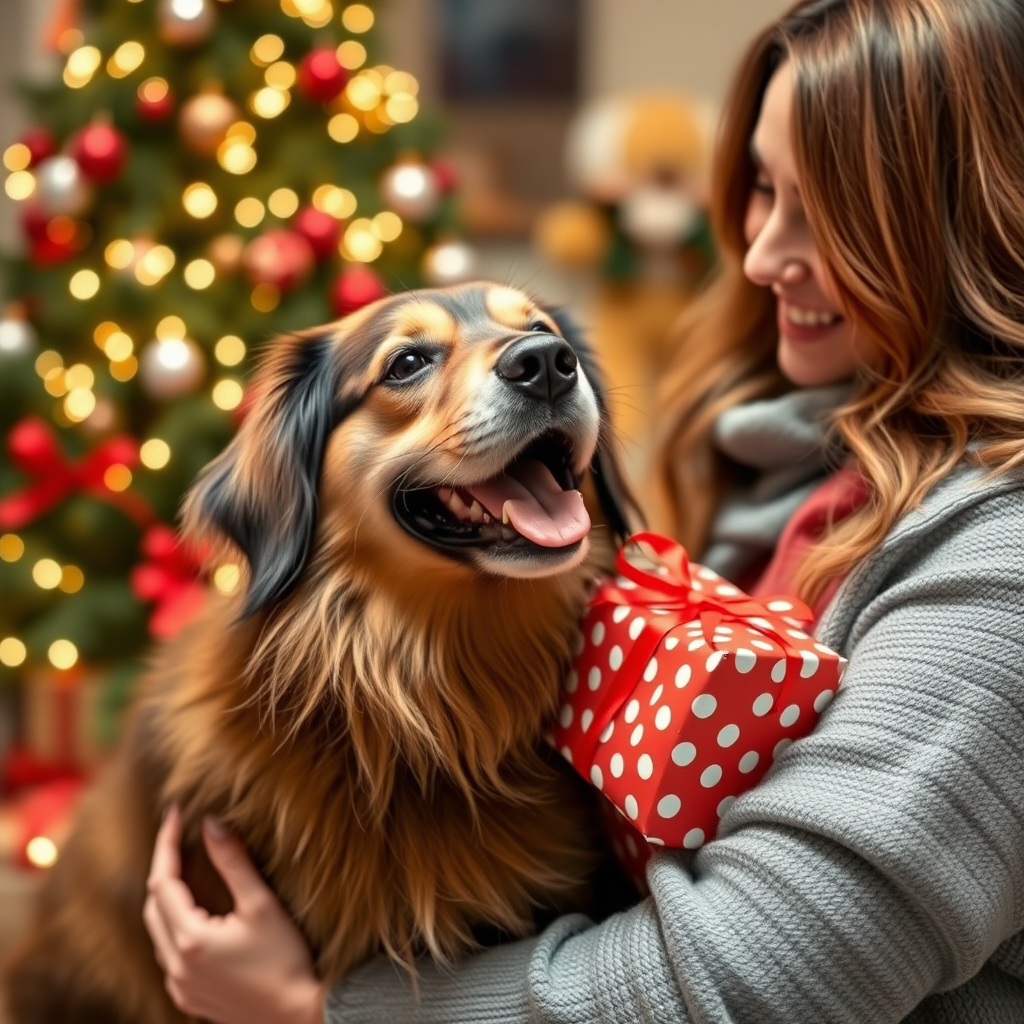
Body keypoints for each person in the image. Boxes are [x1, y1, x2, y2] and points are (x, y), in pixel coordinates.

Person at [143, 0, 1024, 1020]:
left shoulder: (997, 562)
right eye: (762, 191)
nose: (756, 255)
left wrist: (319, 1010)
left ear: (970, 223)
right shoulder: (778, 473)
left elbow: (762, 974)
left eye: (825, 209)